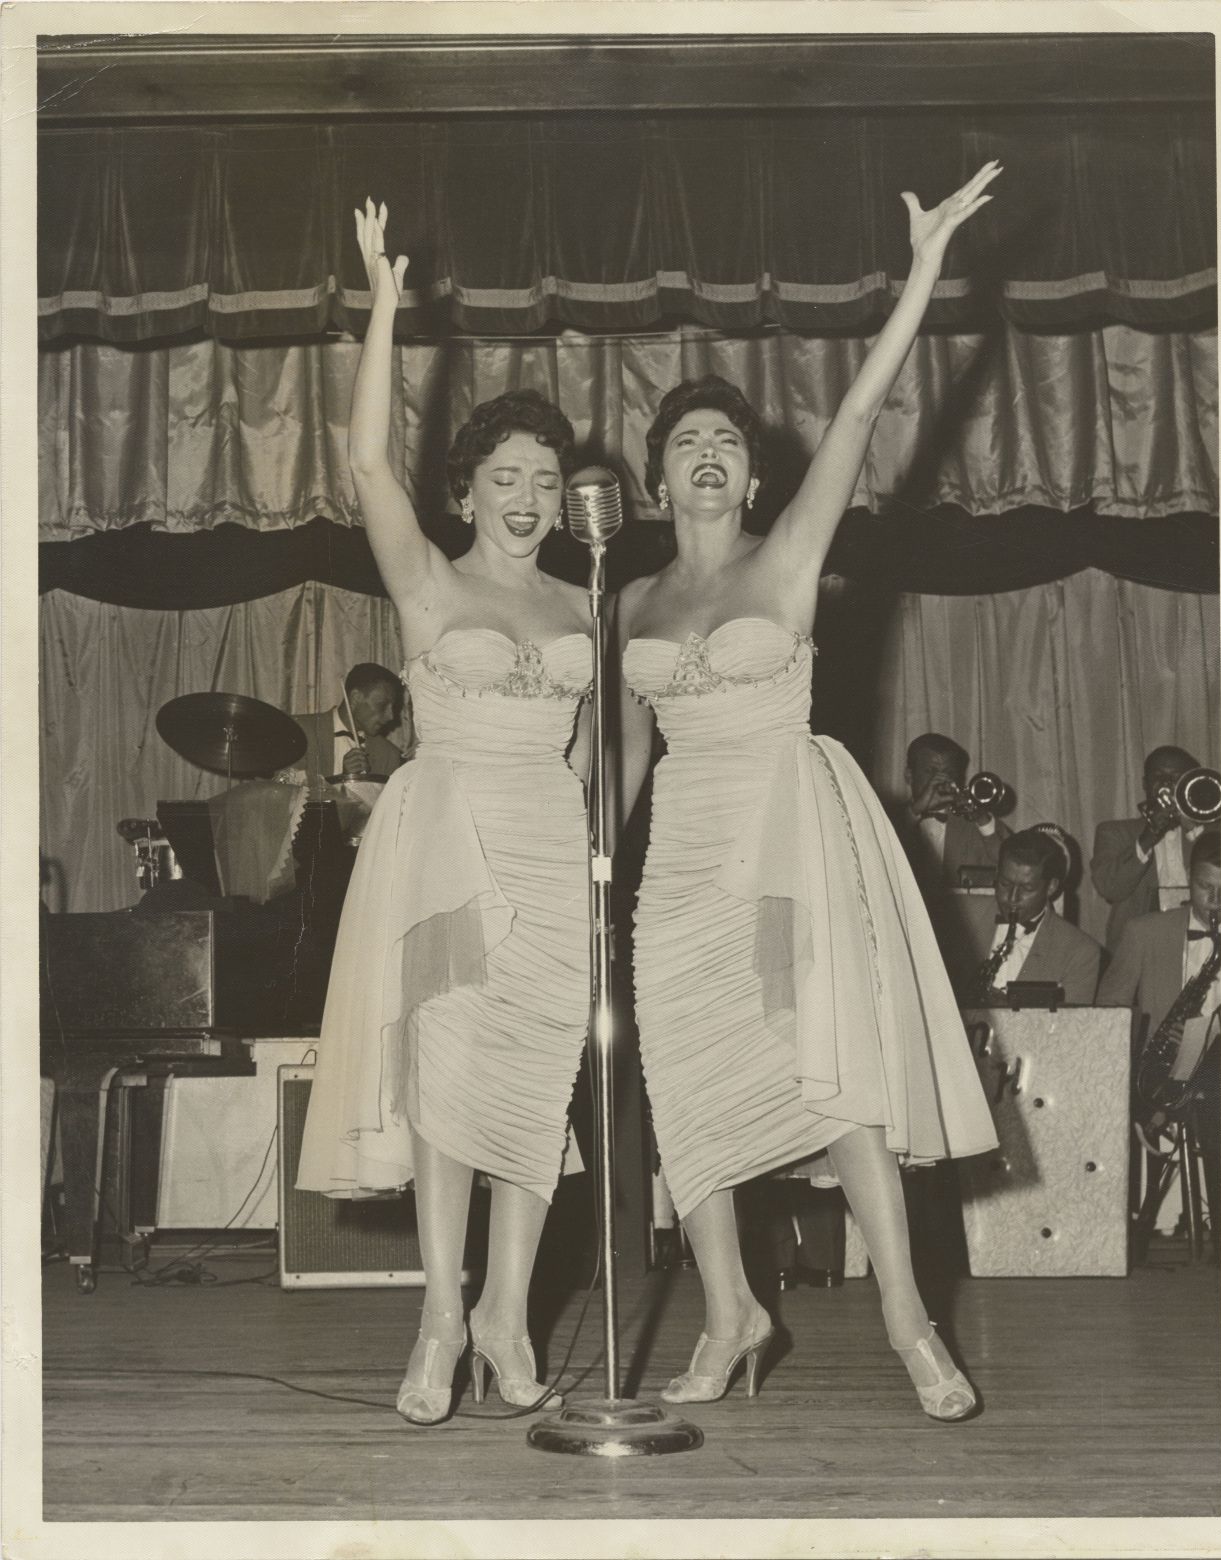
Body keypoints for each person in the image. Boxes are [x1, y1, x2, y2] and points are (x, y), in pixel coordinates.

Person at [617, 162, 1003, 1422]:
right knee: (684, 1077)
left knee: (831, 1076)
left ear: (752, 476)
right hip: (680, 857)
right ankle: (733, 1309)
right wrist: (592, 872)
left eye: (729, 441)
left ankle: (907, 1321)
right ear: (657, 483)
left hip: (785, 840)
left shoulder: (789, 560)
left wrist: (927, 273)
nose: (713, 454)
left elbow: (858, 418)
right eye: (689, 443)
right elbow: (624, 758)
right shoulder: (628, 603)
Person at [296, 198, 594, 1426]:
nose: (526, 495)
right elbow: (367, 462)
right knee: (448, 1077)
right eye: (504, 476)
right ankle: (438, 1313)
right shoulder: (427, 584)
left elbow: (614, 751)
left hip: (552, 849)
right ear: (466, 490)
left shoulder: (588, 609)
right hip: (447, 846)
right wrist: (381, 307)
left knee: (535, 1081)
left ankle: (507, 1317)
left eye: (544, 479)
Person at [1098, 830, 1221, 1258]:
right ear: (1190, 880)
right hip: (1162, 1073)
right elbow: (1109, 1010)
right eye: (1207, 888)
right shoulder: (1144, 932)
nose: (1217, 903)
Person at [1090, 745, 1203, 952]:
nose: (1167, 784)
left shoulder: (1211, 832)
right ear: (1145, 783)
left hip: (1200, 940)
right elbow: (1110, 889)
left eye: (1176, 777)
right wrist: (1148, 836)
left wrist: (1193, 829)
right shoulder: (1113, 832)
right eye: (1158, 776)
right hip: (1140, 948)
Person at [974, 830, 1103, 1005]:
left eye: (1027, 889)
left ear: (1051, 887)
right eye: (1005, 884)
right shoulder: (960, 915)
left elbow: (1071, 1029)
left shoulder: (1080, 952)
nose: (1012, 898)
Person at [901, 733, 1008, 898]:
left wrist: (982, 819)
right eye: (930, 771)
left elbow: (1012, 868)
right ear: (909, 775)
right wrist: (914, 811)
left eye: (949, 773)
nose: (940, 780)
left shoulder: (977, 824)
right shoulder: (888, 819)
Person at [290, 663, 405, 787]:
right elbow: (287, 794)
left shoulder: (389, 755)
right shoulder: (299, 730)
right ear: (355, 698)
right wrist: (341, 781)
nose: (390, 716)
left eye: (392, 707)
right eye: (382, 705)